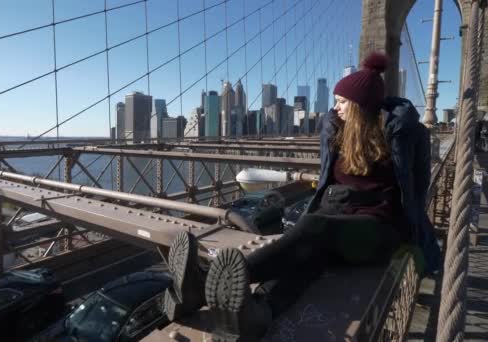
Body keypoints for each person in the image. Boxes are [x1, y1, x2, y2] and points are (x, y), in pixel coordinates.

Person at [162, 52, 441, 341]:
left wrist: (418, 235)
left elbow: (418, 190)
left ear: (360, 105)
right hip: (337, 220)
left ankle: (205, 284)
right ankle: (260, 313)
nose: (336, 107)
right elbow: (326, 181)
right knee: (306, 255)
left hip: (379, 228)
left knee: (312, 228)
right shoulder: (335, 130)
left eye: (342, 101)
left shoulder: (406, 133)